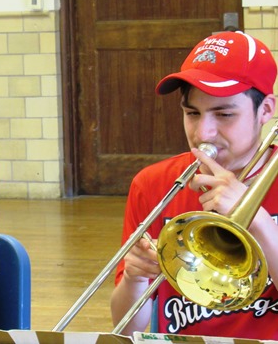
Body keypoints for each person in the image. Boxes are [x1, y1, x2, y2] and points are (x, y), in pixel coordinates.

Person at [110, 30, 278, 340]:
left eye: (224, 114)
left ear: (266, 109)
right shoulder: (153, 184)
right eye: (192, 113)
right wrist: (134, 278)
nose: (204, 133)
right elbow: (126, 329)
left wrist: (256, 220)